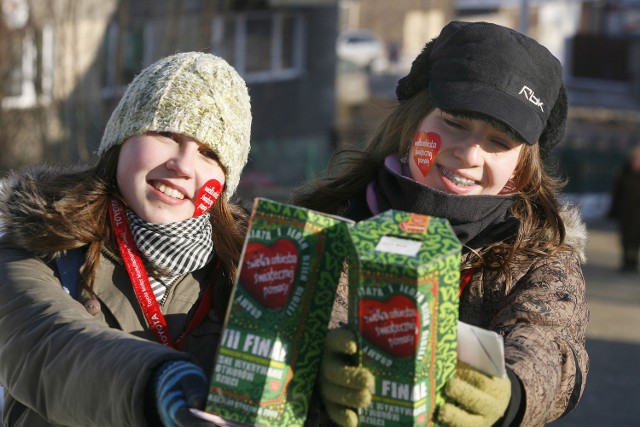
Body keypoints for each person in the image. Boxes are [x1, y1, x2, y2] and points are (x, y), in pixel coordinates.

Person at [294, 21, 589, 427]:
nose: (469, 153)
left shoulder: (538, 258)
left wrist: (511, 394)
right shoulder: (329, 222)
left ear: (522, 169)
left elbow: (550, 342)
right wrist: (314, 368)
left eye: (499, 142)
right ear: (414, 122)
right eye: (454, 122)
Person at [0, 51, 252, 426]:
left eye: (208, 153)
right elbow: (48, 345)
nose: (183, 165)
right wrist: (158, 385)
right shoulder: (35, 244)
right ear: (121, 140)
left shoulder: (253, 275)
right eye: (166, 133)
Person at [608, 145, 640, 273]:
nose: (636, 163)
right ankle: (626, 261)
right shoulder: (623, 174)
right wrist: (614, 210)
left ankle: (633, 261)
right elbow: (616, 194)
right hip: (626, 213)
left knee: (637, 239)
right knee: (626, 238)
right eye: (635, 160)